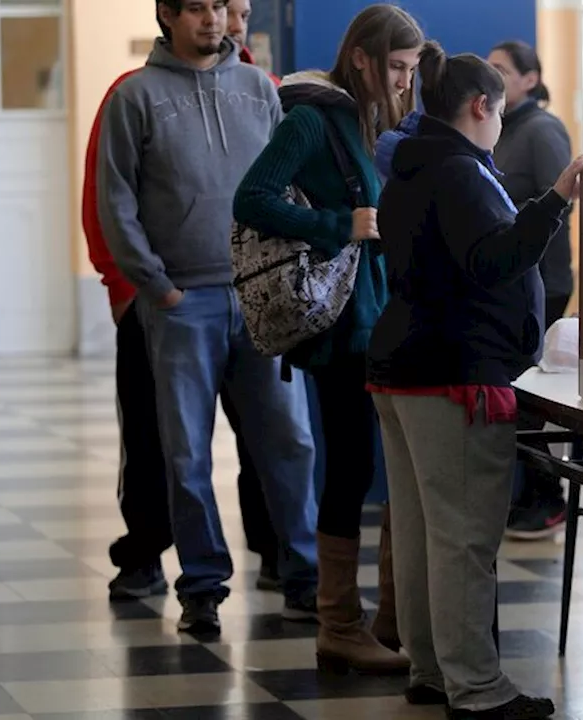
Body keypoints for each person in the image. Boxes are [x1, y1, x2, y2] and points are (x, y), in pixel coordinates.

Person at [368, 42, 583, 718]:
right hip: (453, 373)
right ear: (480, 106)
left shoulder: (410, 164)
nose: (500, 125)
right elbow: (492, 260)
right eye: (498, 113)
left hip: (405, 366)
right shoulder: (460, 172)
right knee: (464, 536)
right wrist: (555, 201)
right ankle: (476, 688)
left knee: (419, 531)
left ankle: (434, 670)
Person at [97, 0, 318, 635]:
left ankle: (302, 573)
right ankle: (202, 586)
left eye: (220, 7)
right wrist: (157, 287)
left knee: (290, 440)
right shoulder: (133, 98)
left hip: (260, 300)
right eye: (196, 7)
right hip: (180, 303)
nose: (213, 20)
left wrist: (288, 272)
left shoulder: (259, 88)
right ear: (167, 14)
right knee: (185, 452)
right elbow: (116, 202)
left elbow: (290, 187)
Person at [233, 3, 422, 674]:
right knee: (349, 468)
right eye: (397, 68)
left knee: (376, 465)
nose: (405, 83)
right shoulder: (313, 116)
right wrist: (340, 224)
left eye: (413, 70)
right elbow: (251, 199)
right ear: (364, 58)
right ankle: (339, 623)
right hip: (339, 327)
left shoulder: (369, 119)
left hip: (374, 320)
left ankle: (388, 620)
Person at [485, 39, 575, 541]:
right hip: (506, 279)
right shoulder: (500, 126)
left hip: (543, 280)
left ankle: (548, 498)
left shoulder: (542, 131)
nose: (493, 76)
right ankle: (526, 495)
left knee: (531, 400)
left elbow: (561, 206)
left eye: (502, 70)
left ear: (530, 79)